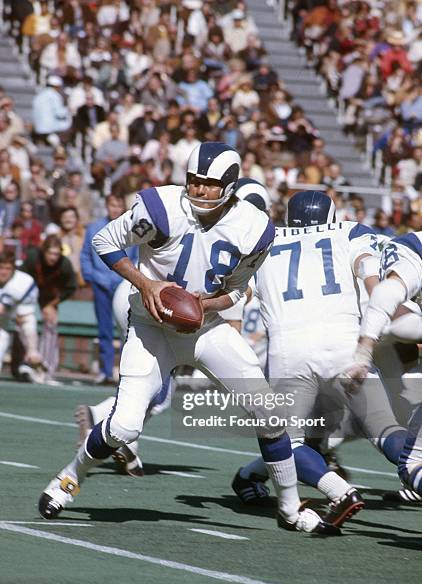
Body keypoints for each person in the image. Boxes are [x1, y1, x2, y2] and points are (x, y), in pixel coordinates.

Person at [38, 142, 338, 535]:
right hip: (151, 328)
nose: (197, 190)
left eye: (208, 184)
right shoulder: (161, 207)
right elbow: (103, 243)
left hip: (205, 330)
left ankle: (290, 508)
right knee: (125, 427)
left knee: (269, 412)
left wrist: (207, 303)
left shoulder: (255, 228)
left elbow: (236, 290)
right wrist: (146, 283)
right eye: (193, 181)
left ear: (229, 187)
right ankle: (69, 476)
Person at [232, 190, 408, 526]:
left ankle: (336, 489)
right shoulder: (349, 231)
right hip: (344, 345)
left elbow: (241, 292)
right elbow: (368, 269)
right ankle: (412, 469)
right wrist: (381, 302)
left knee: (288, 441)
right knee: (384, 431)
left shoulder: (264, 239)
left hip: (289, 351)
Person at [345, 231, 422, 495]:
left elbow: (382, 291)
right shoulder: (366, 242)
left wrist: (364, 349)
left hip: (370, 327)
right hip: (369, 326)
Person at [80, 194, 135, 384]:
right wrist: (91, 276)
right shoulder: (94, 227)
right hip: (101, 284)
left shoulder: (130, 226)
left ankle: (126, 372)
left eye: (118, 205)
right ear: (106, 206)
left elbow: (136, 255)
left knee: (128, 330)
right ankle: (105, 370)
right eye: (112, 205)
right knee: (104, 329)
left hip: (123, 285)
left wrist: (131, 279)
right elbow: (86, 254)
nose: (115, 209)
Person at [21, 235, 77, 380]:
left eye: (57, 254)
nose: (53, 257)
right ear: (44, 251)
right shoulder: (33, 257)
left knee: (51, 322)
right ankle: (22, 365)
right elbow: (20, 278)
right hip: (27, 293)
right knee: (24, 322)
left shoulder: (64, 264)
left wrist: (51, 305)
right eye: (50, 253)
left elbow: (71, 287)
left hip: (49, 296)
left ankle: (46, 368)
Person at [0, 251, 41, 379]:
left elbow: (2, 309)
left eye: (8, 268)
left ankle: (32, 362)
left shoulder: (20, 282)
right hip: (4, 318)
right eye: (0, 267)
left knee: (28, 325)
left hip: (22, 311)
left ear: (14, 270)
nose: (3, 272)